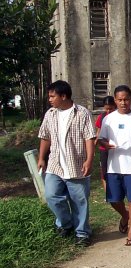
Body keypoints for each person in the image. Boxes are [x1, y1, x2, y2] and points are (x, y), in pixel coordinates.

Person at [37, 80, 95, 247]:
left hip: (76, 164)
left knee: (79, 201)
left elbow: (89, 138)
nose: (50, 99)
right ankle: (65, 223)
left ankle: (82, 233)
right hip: (55, 164)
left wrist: (89, 160)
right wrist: (42, 158)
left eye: (52, 96)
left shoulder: (82, 113)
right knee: (51, 195)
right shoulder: (51, 114)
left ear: (64, 96)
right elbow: (45, 137)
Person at [98, 85, 131, 246]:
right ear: (115, 100)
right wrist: (105, 144)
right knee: (113, 199)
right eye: (120, 100)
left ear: (130, 99)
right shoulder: (109, 118)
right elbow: (101, 139)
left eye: (126, 99)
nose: (123, 103)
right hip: (114, 166)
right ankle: (125, 215)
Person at [95, 96, 117, 191]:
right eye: (106, 108)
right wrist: (95, 143)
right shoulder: (102, 117)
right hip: (104, 148)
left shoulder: (118, 117)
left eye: (110, 108)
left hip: (114, 147)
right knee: (104, 170)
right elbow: (98, 131)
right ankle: (107, 191)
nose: (108, 111)